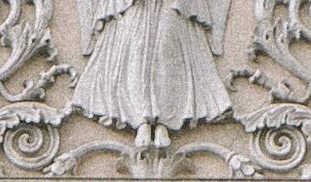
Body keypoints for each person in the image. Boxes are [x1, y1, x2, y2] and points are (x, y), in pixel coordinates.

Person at [75, 0, 231, 145]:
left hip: (171, 5)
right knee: (137, 52)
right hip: (135, 6)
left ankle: (164, 121)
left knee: (166, 51)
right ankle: (141, 120)